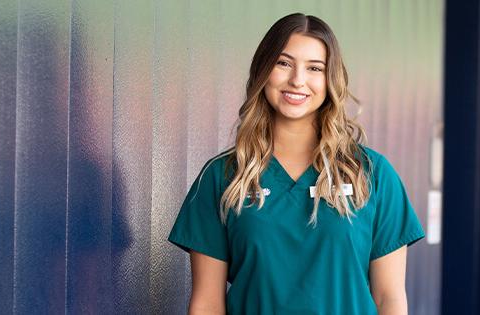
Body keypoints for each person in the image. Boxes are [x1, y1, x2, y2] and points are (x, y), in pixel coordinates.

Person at [168, 13, 425, 315]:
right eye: (283, 63)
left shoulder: (371, 175)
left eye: (314, 68)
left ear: (330, 80)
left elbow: (389, 299)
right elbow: (207, 304)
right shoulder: (223, 177)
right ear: (263, 70)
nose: (297, 80)